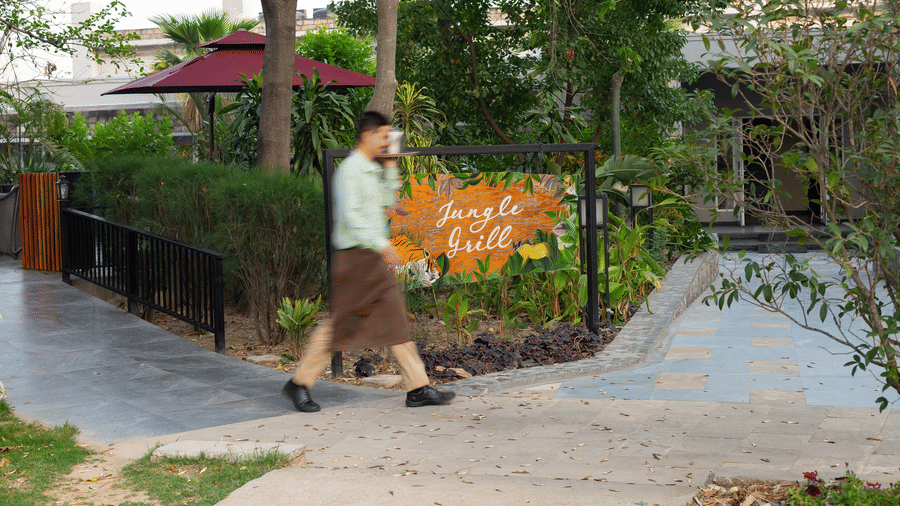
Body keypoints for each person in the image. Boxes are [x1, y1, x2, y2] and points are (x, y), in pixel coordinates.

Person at [282, 111, 455, 412]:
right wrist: (382, 245)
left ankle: (418, 388)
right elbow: (351, 216)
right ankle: (298, 383)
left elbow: (388, 203)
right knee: (339, 328)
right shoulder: (350, 170)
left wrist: (389, 168)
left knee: (396, 321)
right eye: (383, 135)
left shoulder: (372, 169)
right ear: (367, 136)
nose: (387, 141)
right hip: (354, 260)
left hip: (372, 259)